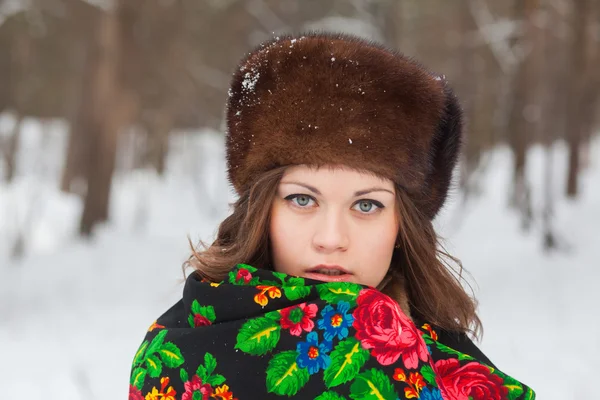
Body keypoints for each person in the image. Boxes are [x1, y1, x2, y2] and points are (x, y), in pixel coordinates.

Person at [129, 33, 535, 400]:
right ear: (261, 209)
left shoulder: (454, 370)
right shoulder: (173, 359)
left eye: (366, 205)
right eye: (303, 200)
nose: (331, 238)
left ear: (402, 226)